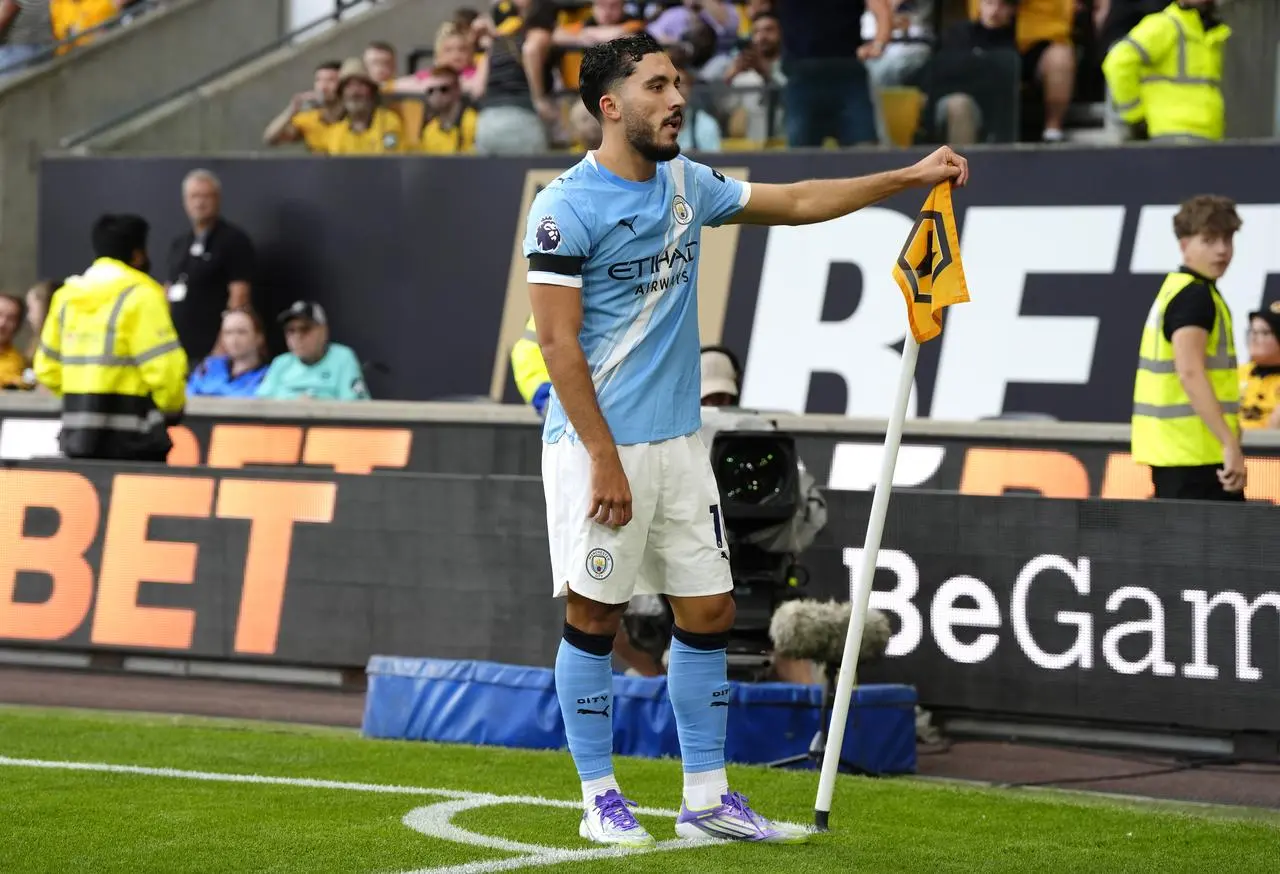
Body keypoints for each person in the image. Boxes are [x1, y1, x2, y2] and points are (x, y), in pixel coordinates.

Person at [524, 32, 967, 846]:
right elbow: (556, 348)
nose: (678, 97)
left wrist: (906, 179)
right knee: (595, 617)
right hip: (598, 450)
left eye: (680, 81)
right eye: (658, 85)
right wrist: (603, 457)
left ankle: (706, 797)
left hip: (682, 445)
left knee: (712, 609)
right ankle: (598, 797)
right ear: (611, 105)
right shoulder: (564, 208)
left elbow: (795, 202)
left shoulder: (691, 184)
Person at [33, 214, 188, 461]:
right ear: (138, 254)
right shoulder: (143, 295)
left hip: (78, 436)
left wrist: (83, 400)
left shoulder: (66, 297)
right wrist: (171, 408)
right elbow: (165, 370)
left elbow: (47, 369)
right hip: (135, 440)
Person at [1131, 195, 1244, 501]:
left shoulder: (1181, 290)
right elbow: (1190, 372)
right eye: (1209, 240)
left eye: (1227, 239)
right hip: (1196, 457)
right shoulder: (1194, 297)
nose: (1222, 250)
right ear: (1184, 245)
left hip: (1183, 453)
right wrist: (1229, 443)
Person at [256, 300, 370, 401]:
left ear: (323, 331)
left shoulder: (342, 358)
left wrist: (316, 407)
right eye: (291, 331)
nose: (297, 337)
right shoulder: (281, 363)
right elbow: (261, 405)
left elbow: (357, 408)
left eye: (305, 329)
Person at [187, 308, 270, 398]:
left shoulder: (269, 375)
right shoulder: (208, 366)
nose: (234, 339)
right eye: (228, 333)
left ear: (259, 338)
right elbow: (187, 396)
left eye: (241, 332)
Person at [1237, 302, 1280, 431]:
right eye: (1252, 331)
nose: (1254, 338)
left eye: (1264, 333)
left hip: (1267, 448)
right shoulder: (1236, 373)